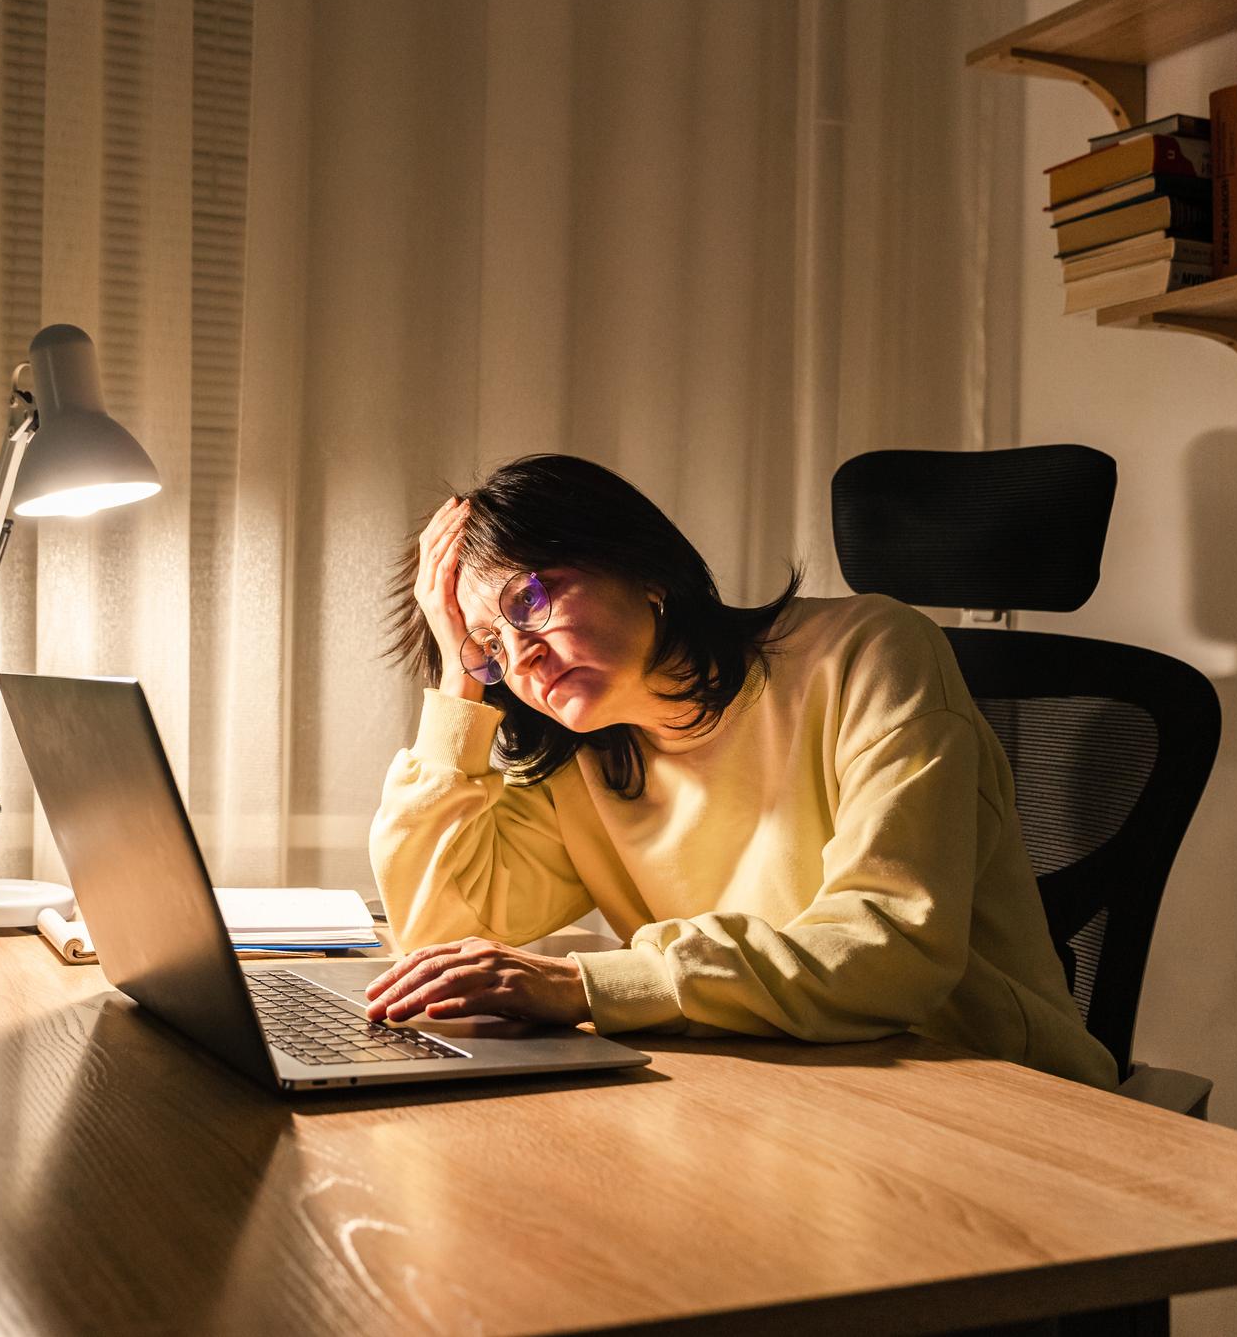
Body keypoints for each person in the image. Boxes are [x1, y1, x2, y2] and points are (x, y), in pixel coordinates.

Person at [362, 453, 1118, 1089]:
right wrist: (457, 685)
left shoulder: (868, 654)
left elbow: (888, 953)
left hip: (972, 1086)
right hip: (772, 1088)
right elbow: (437, 938)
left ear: (641, 567)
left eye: (527, 600)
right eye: (488, 645)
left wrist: (585, 986)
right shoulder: (582, 761)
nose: (517, 658)